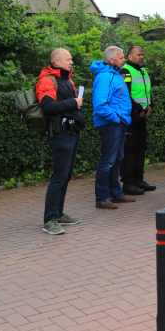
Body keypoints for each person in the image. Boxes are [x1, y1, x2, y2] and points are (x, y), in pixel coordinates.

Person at [37, 49, 86, 235]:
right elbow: (48, 106)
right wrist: (74, 103)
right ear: (57, 61)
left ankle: (58, 214)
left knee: (65, 176)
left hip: (72, 133)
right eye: (68, 59)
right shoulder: (47, 80)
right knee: (58, 177)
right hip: (60, 134)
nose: (72, 62)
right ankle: (49, 219)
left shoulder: (67, 80)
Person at [91, 46, 134, 209]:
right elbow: (100, 105)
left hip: (118, 122)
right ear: (111, 60)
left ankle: (115, 194)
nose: (124, 60)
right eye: (121, 58)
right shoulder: (105, 77)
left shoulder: (113, 74)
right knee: (107, 161)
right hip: (111, 123)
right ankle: (102, 198)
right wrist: (115, 118)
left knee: (116, 159)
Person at [118, 46, 156, 196]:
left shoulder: (143, 70)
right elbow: (125, 94)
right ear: (129, 56)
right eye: (138, 55)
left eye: (142, 55)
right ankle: (128, 183)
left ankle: (139, 180)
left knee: (140, 148)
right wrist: (138, 108)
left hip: (141, 116)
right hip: (131, 117)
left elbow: (146, 91)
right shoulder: (125, 71)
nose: (142, 57)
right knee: (130, 151)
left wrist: (150, 104)